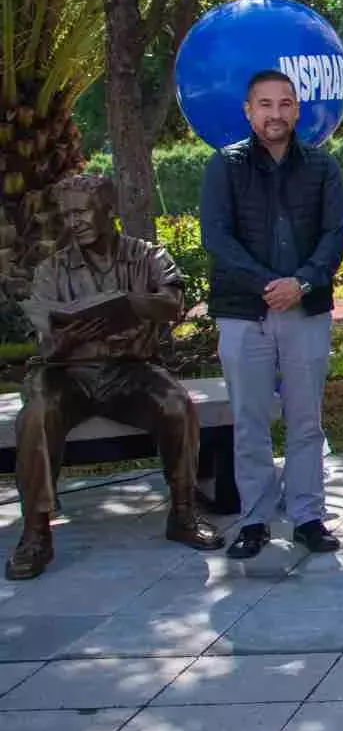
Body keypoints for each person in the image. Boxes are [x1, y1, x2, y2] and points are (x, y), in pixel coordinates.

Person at [7, 176, 225, 579]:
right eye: (67, 213)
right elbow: (45, 343)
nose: (74, 222)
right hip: (66, 372)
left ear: (109, 210)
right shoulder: (52, 269)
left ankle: (182, 513)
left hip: (130, 370)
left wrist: (129, 303)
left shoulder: (147, 257)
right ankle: (36, 534)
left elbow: (172, 304)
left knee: (176, 405)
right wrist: (65, 339)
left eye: (82, 211)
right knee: (36, 414)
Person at [199, 69, 343, 559]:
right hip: (245, 311)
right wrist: (267, 285)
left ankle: (308, 515)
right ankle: (255, 520)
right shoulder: (225, 166)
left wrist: (300, 283)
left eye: (285, 103)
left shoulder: (322, 167)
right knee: (250, 419)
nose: (275, 113)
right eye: (265, 104)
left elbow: (333, 237)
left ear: (296, 109)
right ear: (249, 110)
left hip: (305, 308)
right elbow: (217, 238)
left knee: (307, 419)